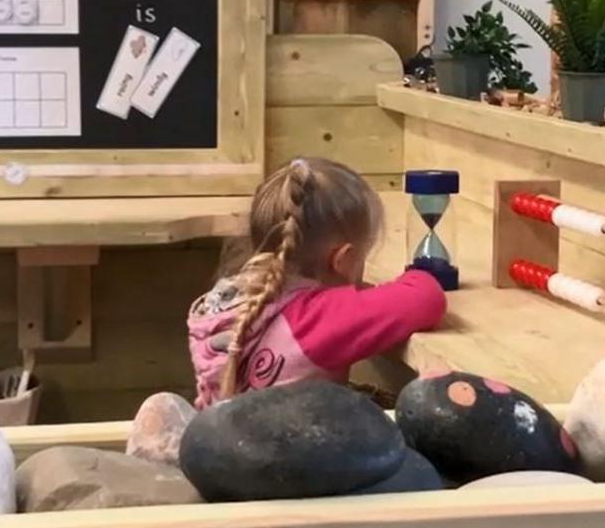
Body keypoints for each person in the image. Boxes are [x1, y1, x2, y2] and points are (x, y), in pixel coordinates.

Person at [188, 157, 448, 408]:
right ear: (342, 260)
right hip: (288, 449)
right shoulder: (318, 317)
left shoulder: (226, 301)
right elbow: (426, 297)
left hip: (220, 442)